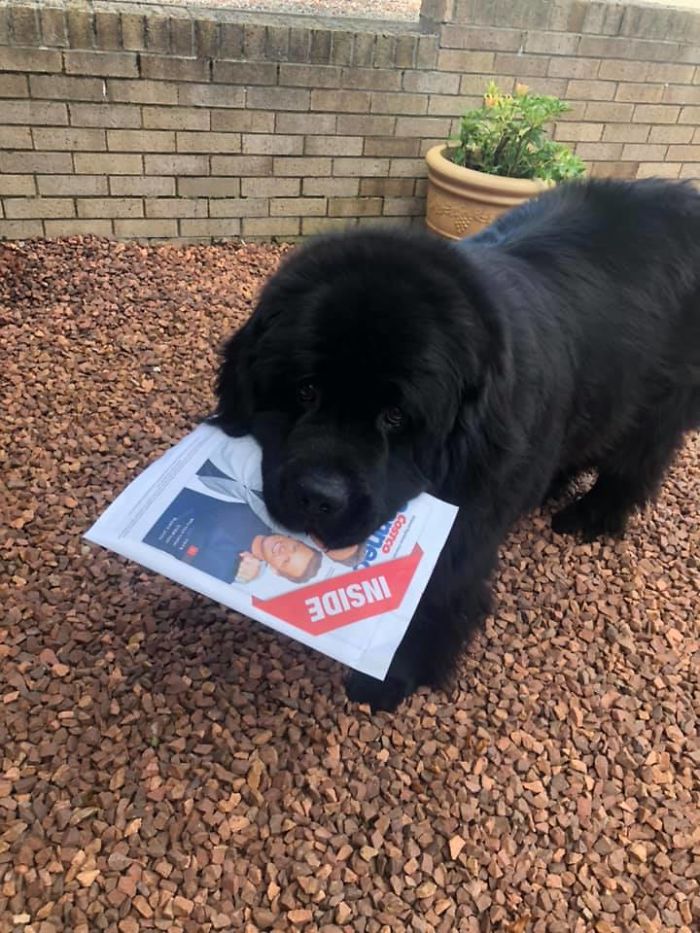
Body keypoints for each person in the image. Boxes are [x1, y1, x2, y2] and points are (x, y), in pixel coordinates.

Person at [143, 487, 323, 585]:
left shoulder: (228, 571)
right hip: (164, 488)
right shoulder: (263, 508)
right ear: (293, 538)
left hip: (145, 524)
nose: (284, 550)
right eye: (294, 547)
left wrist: (236, 576)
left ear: (276, 570)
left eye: (285, 561)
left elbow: (181, 570)